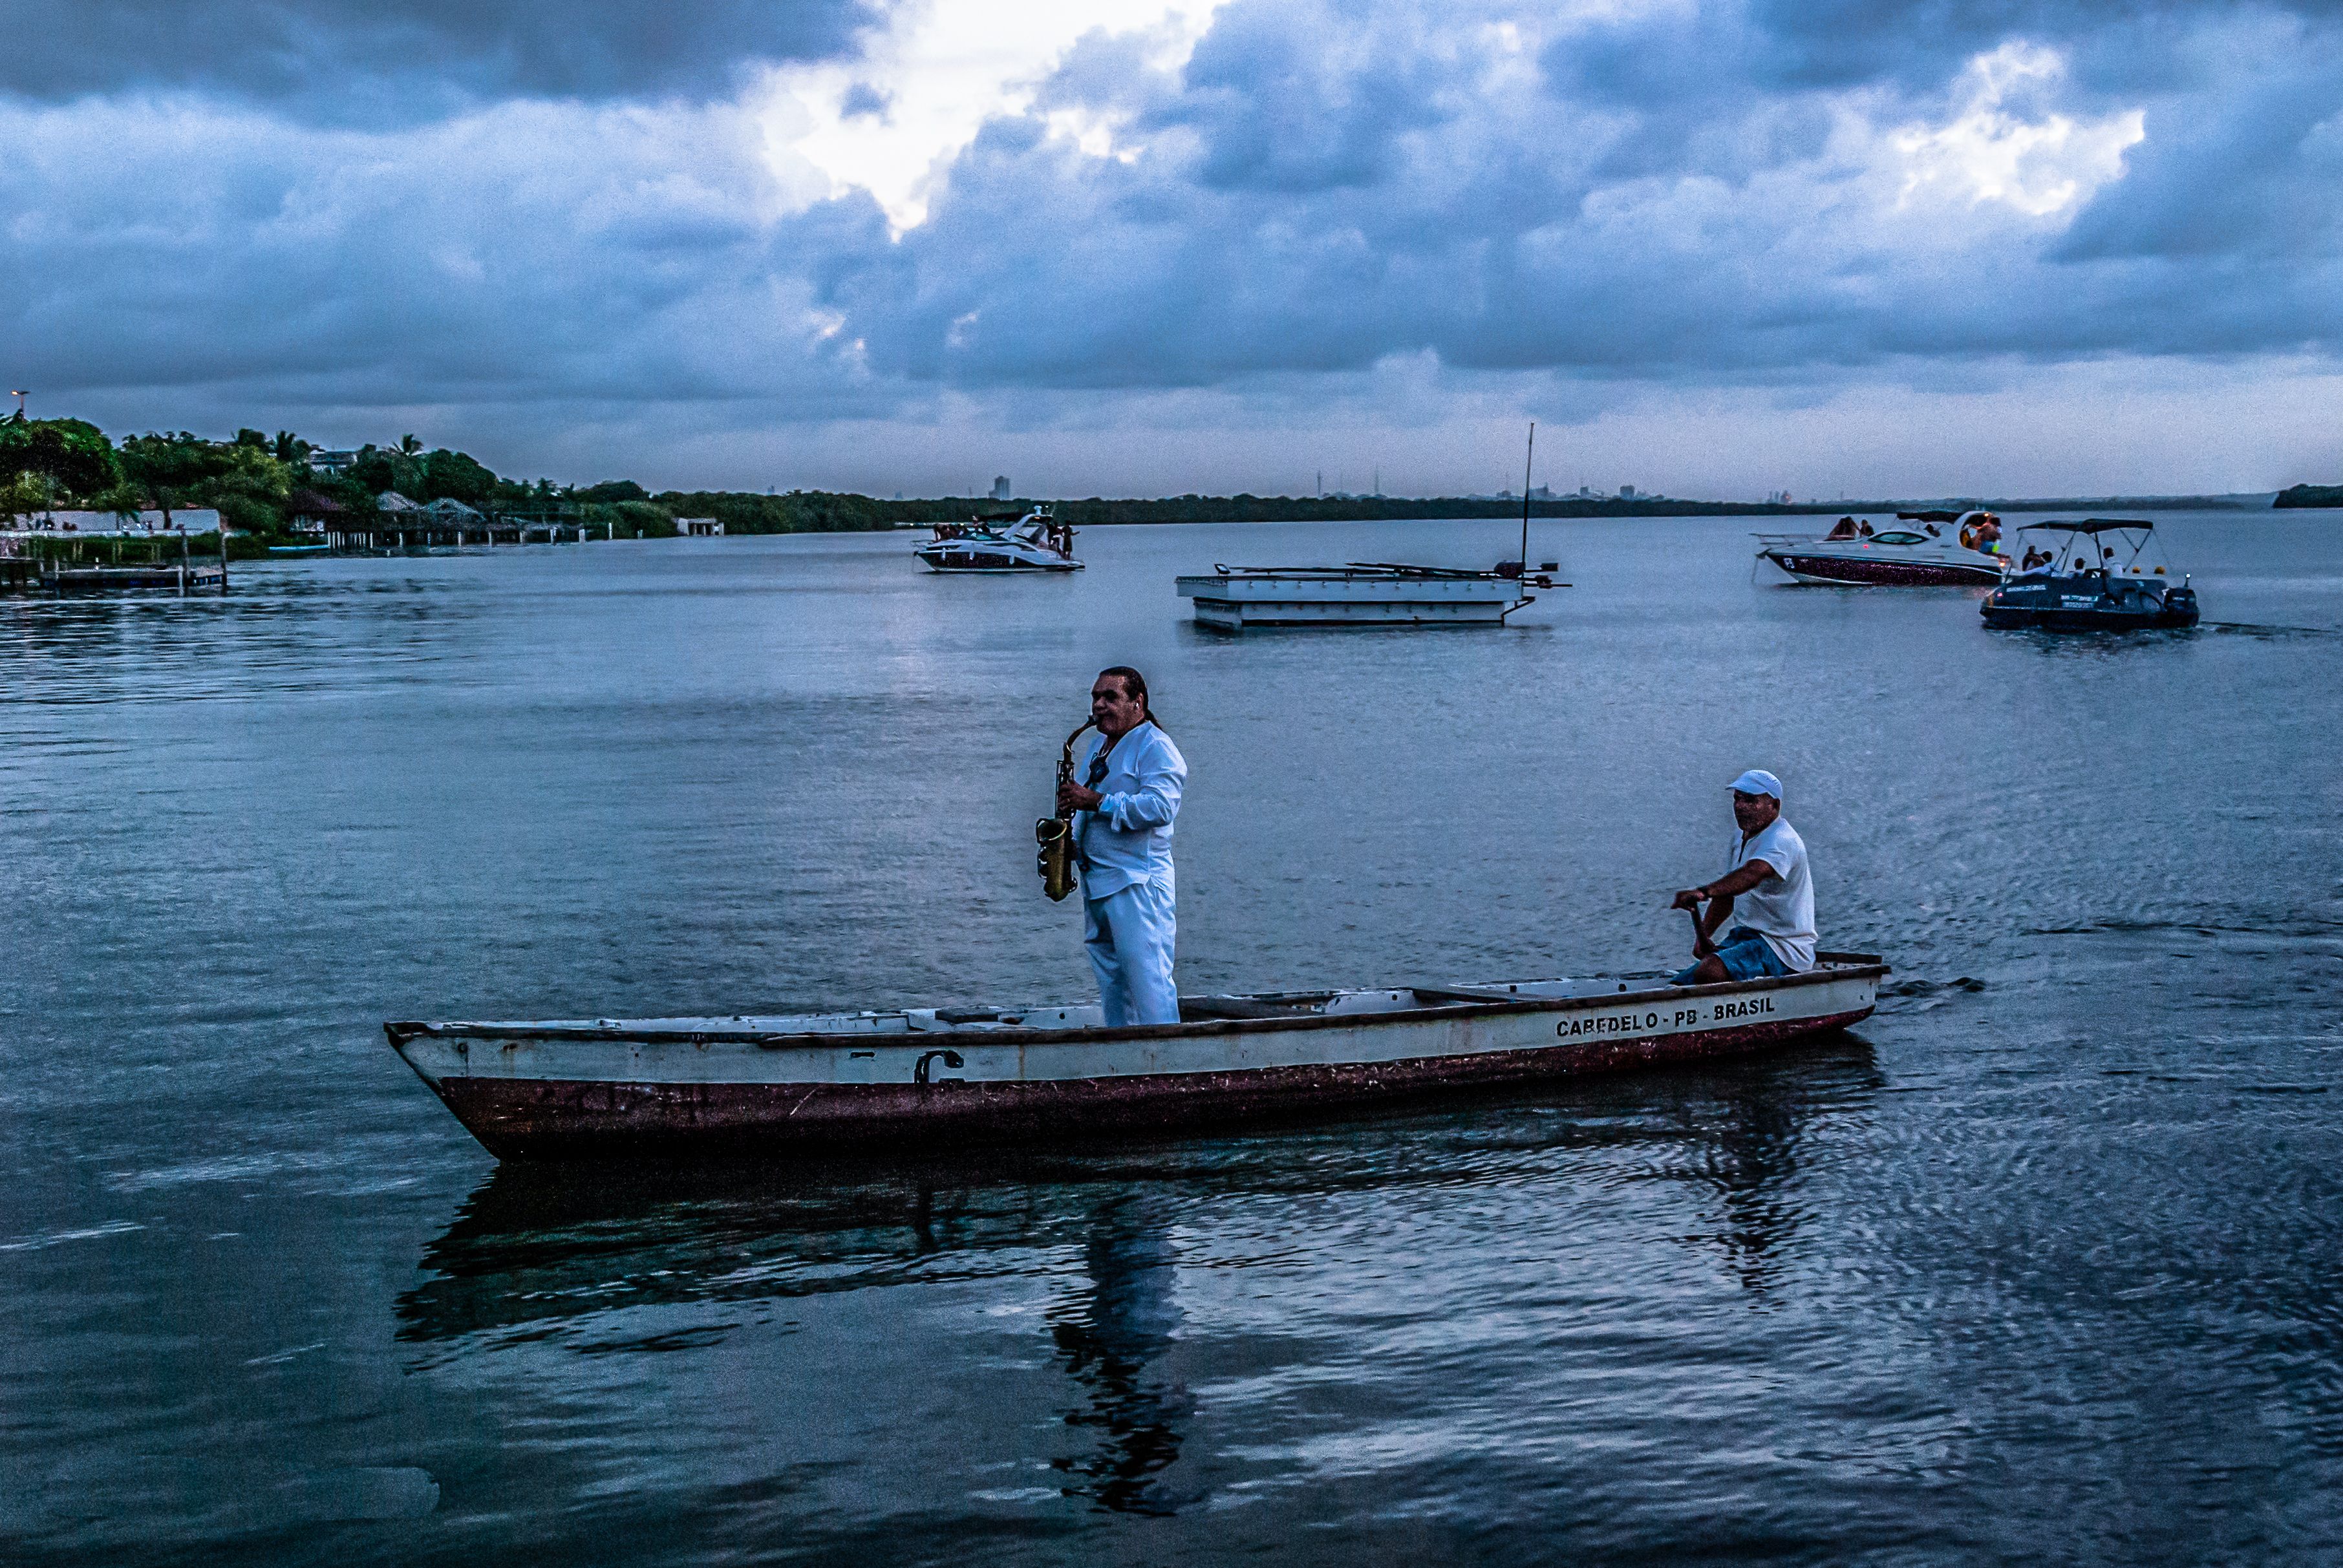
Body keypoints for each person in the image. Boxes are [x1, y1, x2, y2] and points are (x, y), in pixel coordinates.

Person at [1058, 666, 1187, 1026]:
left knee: (1148, 982)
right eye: (1095, 697)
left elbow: (1161, 808)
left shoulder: (1156, 747)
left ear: (1137, 702)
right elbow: (1089, 803)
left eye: (1110, 697)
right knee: (1114, 984)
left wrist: (1097, 801)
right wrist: (1072, 843)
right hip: (1100, 880)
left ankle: (1169, 1064)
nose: (1099, 705)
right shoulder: (1101, 746)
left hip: (1138, 883)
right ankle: (1124, 1060)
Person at [1668, 769, 1817, 986]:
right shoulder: (1740, 838)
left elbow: (1752, 874)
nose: (1740, 806)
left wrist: (1703, 892)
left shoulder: (1782, 840)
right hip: (1746, 937)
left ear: (1774, 806)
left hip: (1784, 948)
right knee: (1679, 985)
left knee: (1710, 972)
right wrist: (1705, 936)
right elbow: (1729, 893)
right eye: (1737, 799)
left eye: (1750, 800)